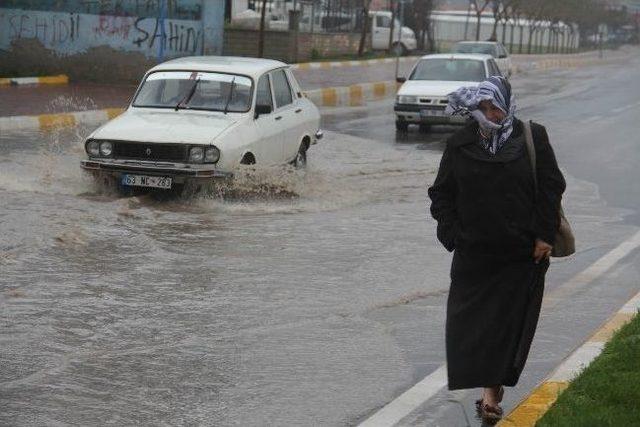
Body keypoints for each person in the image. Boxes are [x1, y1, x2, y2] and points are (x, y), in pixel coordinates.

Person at [427, 76, 566, 423]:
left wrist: (543, 236)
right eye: (483, 107)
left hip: (520, 254)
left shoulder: (532, 137)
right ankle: (486, 384)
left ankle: (491, 391)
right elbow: (441, 194)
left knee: (506, 327)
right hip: (474, 255)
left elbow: (551, 188)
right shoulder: (460, 144)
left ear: (507, 105)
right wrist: (453, 233)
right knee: (471, 328)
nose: (489, 113)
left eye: (495, 107)